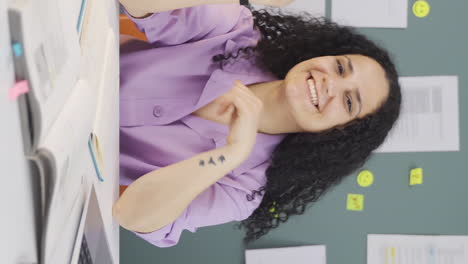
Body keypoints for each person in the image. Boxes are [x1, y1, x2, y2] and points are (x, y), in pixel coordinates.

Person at [114, 0, 402, 248]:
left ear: (340, 131)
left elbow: (131, 215)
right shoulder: (235, 31)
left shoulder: (244, 190)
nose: (331, 83)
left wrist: (226, 156)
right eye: (340, 67)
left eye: (349, 102)